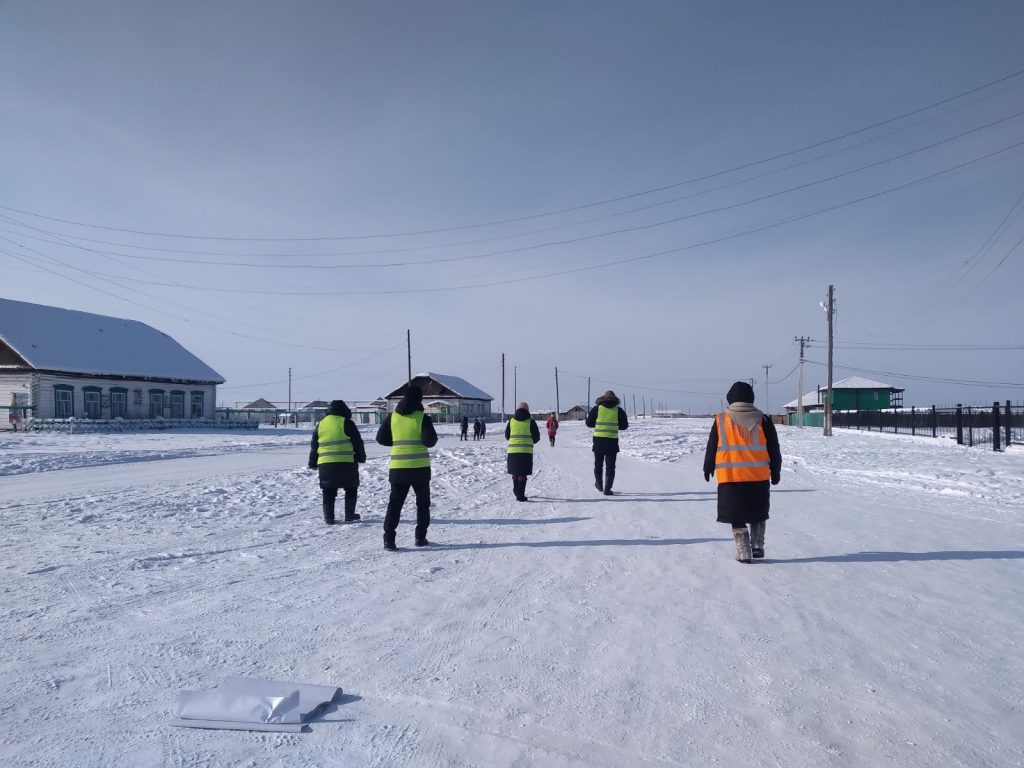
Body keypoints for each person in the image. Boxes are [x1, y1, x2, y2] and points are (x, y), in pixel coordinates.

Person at [702, 381, 782, 563]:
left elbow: (712, 446)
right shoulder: (764, 420)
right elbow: (774, 448)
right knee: (758, 511)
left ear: (730, 399)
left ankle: (744, 550)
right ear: (751, 398)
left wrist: (708, 467)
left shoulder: (721, 420)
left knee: (735, 513)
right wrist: (776, 470)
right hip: (758, 477)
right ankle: (758, 544)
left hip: (731, 478)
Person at [376, 384, 438, 551]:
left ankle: (389, 540)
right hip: (419, 469)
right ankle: (420, 538)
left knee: (394, 505)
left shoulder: (392, 417)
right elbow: (430, 441)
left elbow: (381, 438)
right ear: (419, 399)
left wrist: (397, 443)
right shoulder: (422, 418)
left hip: (398, 468)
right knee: (422, 505)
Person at [308, 400, 366, 525]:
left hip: (325, 464)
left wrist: (312, 462)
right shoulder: (347, 423)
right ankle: (349, 515)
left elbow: (314, 445)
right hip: (346, 462)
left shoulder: (321, 424)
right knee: (351, 488)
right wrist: (361, 457)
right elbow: (357, 442)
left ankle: (329, 518)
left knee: (328, 491)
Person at [585, 391, 629, 495]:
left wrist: (597, 423)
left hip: (598, 441)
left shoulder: (597, 409)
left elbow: (589, 423)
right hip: (612, 441)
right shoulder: (618, 410)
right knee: (610, 467)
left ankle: (599, 484)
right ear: (615, 399)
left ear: (603, 398)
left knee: (598, 464)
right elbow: (624, 426)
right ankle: (607, 489)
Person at [505, 402, 541, 501]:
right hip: (526, 451)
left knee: (515, 472)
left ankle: (516, 490)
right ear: (527, 410)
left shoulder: (511, 421)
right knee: (522, 473)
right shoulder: (531, 422)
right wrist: (529, 441)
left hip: (512, 451)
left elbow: (507, 436)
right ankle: (520, 495)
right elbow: (536, 437)